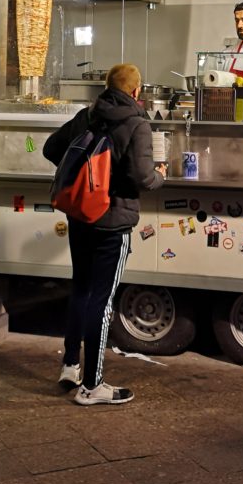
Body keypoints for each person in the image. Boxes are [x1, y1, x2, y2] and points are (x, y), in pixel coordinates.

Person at [43, 63, 166, 405]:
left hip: (81, 215)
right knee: (103, 299)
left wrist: (87, 179)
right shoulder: (138, 122)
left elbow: (52, 149)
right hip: (113, 221)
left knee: (81, 289)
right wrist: (161, 176)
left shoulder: (88, 115)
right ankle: (92, 386)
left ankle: (70, 366)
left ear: (108, 86)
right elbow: (142, 179)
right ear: (136, 91)